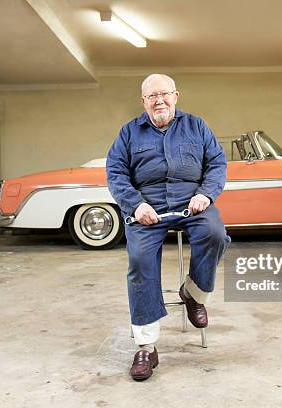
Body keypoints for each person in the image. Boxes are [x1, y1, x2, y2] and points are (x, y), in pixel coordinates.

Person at [106, 74, 230, 381]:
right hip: (148, 208)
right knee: (140, 261)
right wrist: (135, 205)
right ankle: (146, 346)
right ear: (143, 101)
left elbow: (216, 163)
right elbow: (116, 172)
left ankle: (194, 294)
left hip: (193, 203)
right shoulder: (129, 132)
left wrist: (205, 194)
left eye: (164, 94)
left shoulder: (196, 126)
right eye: (152, 96)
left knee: (215, 235)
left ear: (176, 96)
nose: (159, 100)